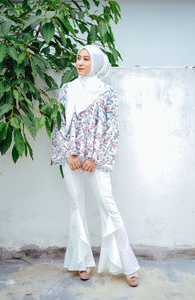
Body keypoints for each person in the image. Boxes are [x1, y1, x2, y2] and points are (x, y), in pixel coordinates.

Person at [51, 44, 140, 286]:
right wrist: (69, 153)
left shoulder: (106, 92)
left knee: (109, 207)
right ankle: (82, 263)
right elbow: (58, 122)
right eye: (78, 58)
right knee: (76, 206)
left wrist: (95, 158)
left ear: (97, 63)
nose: (80, 63)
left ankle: (128, 265)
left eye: (86, 59)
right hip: (71, 158)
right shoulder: (67, 90)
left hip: (95, 160)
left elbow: (112, 130)